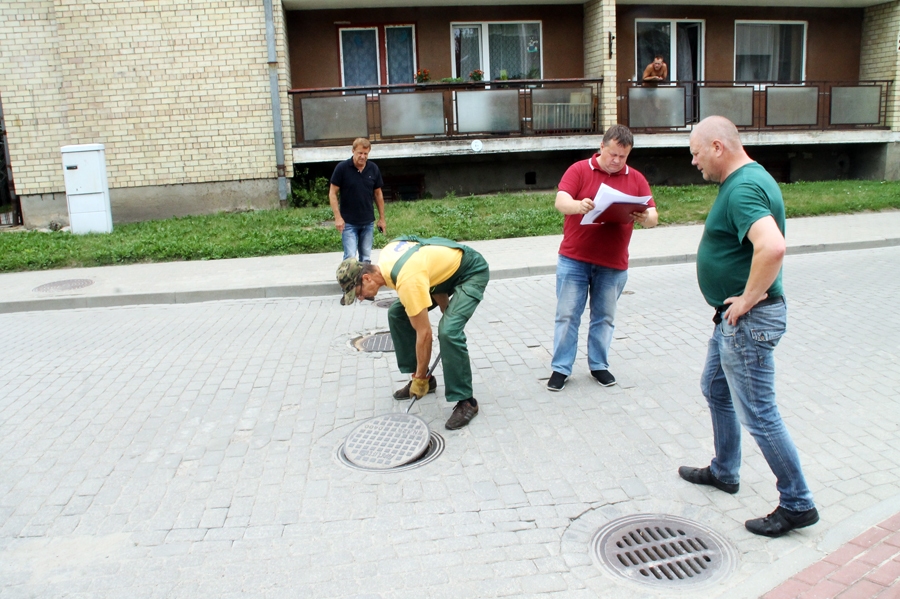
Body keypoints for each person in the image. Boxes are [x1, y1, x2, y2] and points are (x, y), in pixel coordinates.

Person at [678, 116, 818, 538]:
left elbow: (772, 246)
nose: (694, 162)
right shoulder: (748, 178)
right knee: (715, 388)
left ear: (717, 147)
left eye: (696, 153)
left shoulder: (741, 188)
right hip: (734, 321)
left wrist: (748, 299)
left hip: (747, 322)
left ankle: (797, 503)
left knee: (759, 413)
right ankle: (725, 470)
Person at [336, 236, 489, 430]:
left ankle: (467, 401)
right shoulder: (388, 254)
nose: (360, 298)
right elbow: (420, 255)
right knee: (396, 314)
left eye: (358, 292)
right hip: (441, 277)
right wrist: (420, 376)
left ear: (367, 277)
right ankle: (424, 377)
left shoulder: (407, 279)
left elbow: (424, 334)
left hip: (470, 271)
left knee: (448, 331)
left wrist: (419, 381)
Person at [547, 125, 658, 392]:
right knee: (567, 315)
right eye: (613, 154)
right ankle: (561, 368)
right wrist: (579, 206)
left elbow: (653, 216)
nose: (617, 161)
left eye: (623, 156)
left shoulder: (636, 178)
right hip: (575, 258)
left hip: (613, 263)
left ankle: (598, 365)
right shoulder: (579, 169)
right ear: (601, 147)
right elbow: (561, 201)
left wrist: (645, 217)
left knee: (604, 317)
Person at [329, 138, 387, 265]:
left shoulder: (373, 169)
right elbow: (332, 193)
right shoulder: (342, 168)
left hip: (367, 222)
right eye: (360, 153)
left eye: (366, 154)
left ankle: (363, 279)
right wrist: (338, 217)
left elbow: (378, 194)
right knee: (350, 259)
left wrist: (382, 218)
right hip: (348, 223)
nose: (363, 156)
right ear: (353, 151)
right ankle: (348, 279)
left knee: (365, 259)